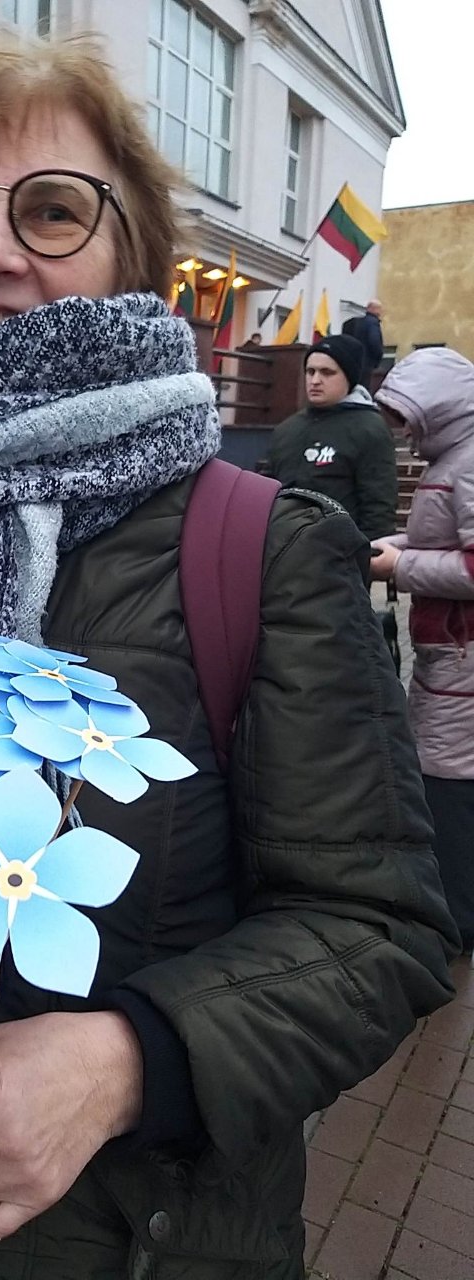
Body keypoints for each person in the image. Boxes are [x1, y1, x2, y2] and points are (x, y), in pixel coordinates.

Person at [0, 30, 457, 1280]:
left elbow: (380, 926)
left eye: (53, 210)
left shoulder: (258, 549)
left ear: (131, 261)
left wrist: (126, 1062)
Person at [372, 346, 474, 952]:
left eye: (409, 422)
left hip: (463, 658)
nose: (407, 437)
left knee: (448, 780)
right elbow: (444, 541)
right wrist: (390, 546)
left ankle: (457, 922)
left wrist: (400, 566)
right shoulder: (456, 456)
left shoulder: (468, 461)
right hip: (449, 652)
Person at [262, 332, 398, 540]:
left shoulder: (369, 428)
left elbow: (379, 506)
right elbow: (265, 491)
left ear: (349, 377)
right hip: (280, 548)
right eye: (310, 371)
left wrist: (369, 553)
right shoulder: (287, 429)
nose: (315, 380)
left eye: (327, 372)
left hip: (338, 552)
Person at [342, 299, 384, 387]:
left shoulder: (351, 323)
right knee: (363, 388)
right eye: (380, 309)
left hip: (350, 363)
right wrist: (378, 359)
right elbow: (374, 342)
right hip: (366, 364)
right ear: (375, 309)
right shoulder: (373, 323)